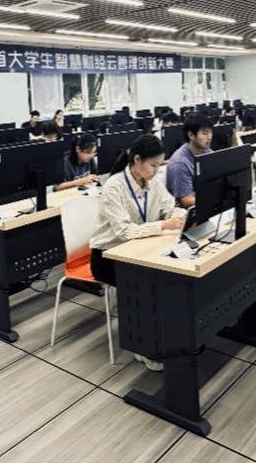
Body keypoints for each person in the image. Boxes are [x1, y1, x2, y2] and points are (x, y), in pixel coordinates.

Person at [90, 134, 185, 370]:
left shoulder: (153, 181)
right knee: (149, 282)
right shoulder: (114, 186)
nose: (156, 171)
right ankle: (146, 347)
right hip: (109, 255)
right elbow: (124, 232)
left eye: (159, 165)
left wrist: (181, 216)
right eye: (153, 165)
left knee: (172, 274)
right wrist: (163, 225)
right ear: (137, 160)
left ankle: (171, 335)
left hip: (140, 246)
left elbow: (169, 207)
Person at [165, 111, 213, 207]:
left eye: (210, 132)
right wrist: (216, 199)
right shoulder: (180, 163)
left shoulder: (206, 150)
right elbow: (187, 200)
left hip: (206, 200)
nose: (209, 137)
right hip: (187, 209)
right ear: (191, 135)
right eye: (205, 133)